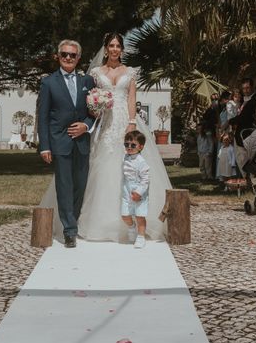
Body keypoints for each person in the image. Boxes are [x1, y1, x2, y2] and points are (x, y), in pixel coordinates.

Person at [40, 33, 169, 243]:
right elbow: (88, 102)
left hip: (126, 121)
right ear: (106, 48)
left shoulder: (130, 72)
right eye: (111, 45)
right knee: (100, 170)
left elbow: (131, 98)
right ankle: (96, 223)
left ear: (122, 50)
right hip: (103, 123)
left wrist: (132, 122)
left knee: (134, 169)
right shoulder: (95, 74)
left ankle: (138, 224)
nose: (115, 49)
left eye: (118, 46)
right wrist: (96, 111)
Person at [38, 40, 96, 248]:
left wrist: (86, 126)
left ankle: (75, 220)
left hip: (82, 142)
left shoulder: (87, 81)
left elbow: (94, 113)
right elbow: (42, 116)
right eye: (64, 54)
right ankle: (69, 230)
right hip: (59, 142)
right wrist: (45, 146)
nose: (68, 58)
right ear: (58, 57)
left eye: (73, 55)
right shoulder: (48, 83)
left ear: (79, 58)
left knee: (80, 185)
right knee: (64, 186)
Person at [121, 130, 149, 249]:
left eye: (133, 145)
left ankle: (141, 237)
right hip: (127, 190)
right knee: (124, 214)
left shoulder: (141, 162)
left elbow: (145, 179)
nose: (129, 147)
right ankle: (131, 227)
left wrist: (139, 192)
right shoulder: (125, 157)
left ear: (140, 147)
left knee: (140, 216)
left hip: (139, 191)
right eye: (126, 144)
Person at [229, 78, 256, 177]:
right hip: (239, 134)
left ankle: (250, 179)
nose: (245, 90)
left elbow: (243, 117)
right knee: (240, 157)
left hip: (247, 135)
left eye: (248, 88)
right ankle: (246, 178)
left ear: (252, 87)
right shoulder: (243, 100)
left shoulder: (254, 100)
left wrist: (229, 122)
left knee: (245, 158)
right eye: (243, 88)